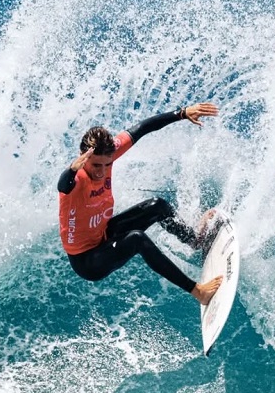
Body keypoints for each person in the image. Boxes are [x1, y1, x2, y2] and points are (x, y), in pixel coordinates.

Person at [57, 102, 223, 305]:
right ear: (84, 159)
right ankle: (198, 292)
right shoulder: (77, 180)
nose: (101, 171)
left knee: (157, 205)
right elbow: (63, 185)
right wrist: (72, 170)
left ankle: (195, 240)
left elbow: (142, 128)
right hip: (88, 261)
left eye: (107, 164)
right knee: (137, 239)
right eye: (96, 166)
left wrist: (181, 113)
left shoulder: (107, 154)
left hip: (104, 233)